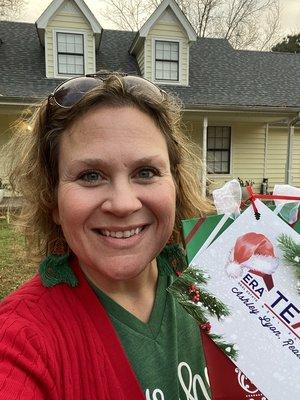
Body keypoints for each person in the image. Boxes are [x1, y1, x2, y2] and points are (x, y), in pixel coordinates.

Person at [0, 71, 213, 399]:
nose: (124, 204)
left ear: (176, 185)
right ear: (52, 198)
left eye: (146, 172)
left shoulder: (226, 285)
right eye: (90, 175)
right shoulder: (20, 341)